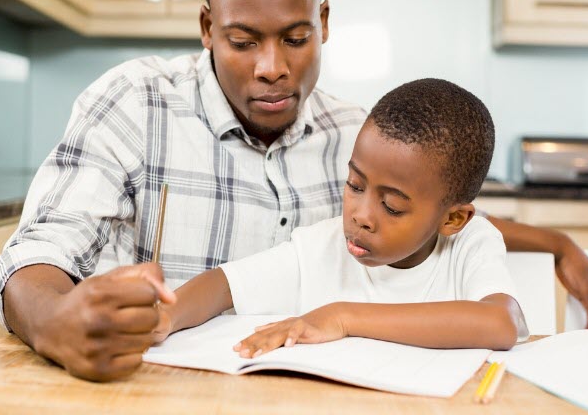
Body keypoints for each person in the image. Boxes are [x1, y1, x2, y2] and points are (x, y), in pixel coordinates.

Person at [0, 0, 588, 381]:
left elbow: (433, 213)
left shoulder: (357, 134)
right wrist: (53, 321)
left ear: (323, 22)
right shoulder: (133, 102)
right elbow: (40, 251)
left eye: (295, 38)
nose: (272, 67)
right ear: (208, 28)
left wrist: (558, 243)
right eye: (242, 41)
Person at [154, 78, 528, 354]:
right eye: (355, 185)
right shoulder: (322, 245)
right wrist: (165, 319)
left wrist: (342, 317)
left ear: (452, 220)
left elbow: (501, 323)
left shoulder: (470, 244)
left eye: (392, 206)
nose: (361, 216)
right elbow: (224, 284)